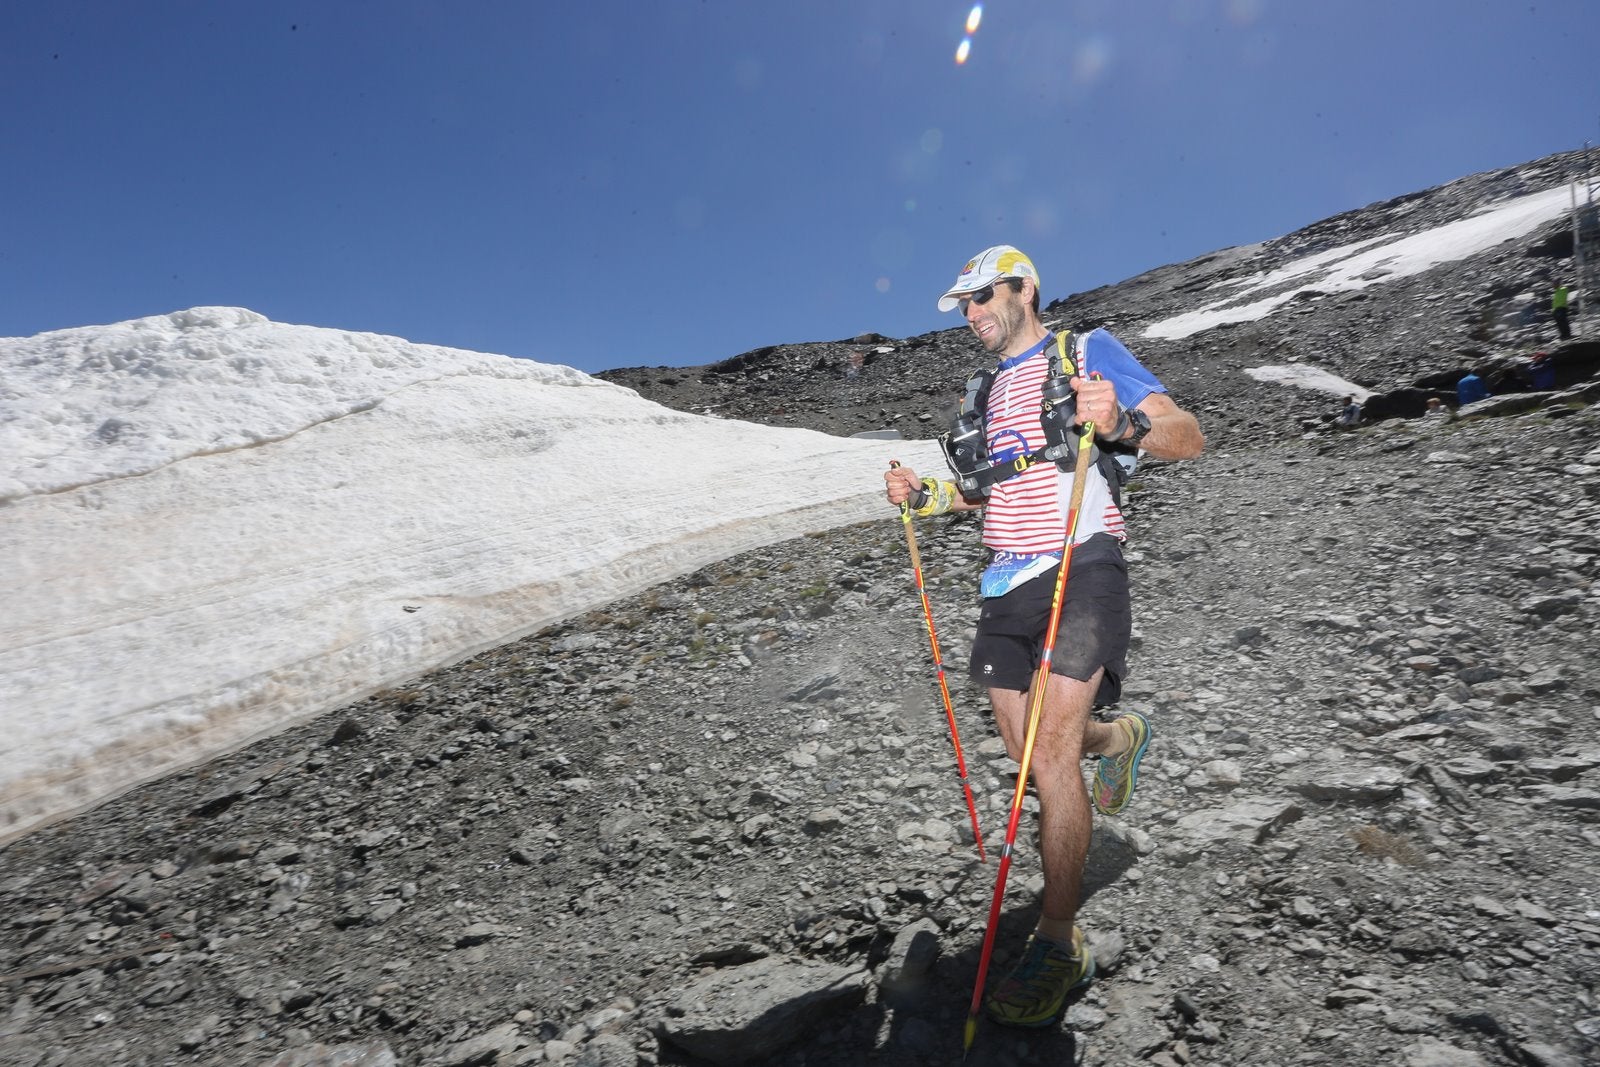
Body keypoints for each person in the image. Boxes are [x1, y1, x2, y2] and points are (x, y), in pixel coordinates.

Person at [884, 245, 1204, 1028]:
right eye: (963, 304)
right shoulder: (984, 389)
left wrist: (1121, 422)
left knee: (1050, 755)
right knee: (1026, 749)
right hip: (1005, 578)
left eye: (981, 297)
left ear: (1024, 288)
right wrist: (924, 496)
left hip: (1082, 558)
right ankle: (1120, 737)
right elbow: (984, 490)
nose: (971, 314)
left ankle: (1060, 942)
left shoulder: (1086, 351)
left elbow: (1187, 434)